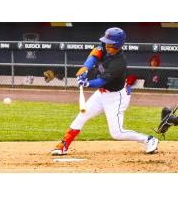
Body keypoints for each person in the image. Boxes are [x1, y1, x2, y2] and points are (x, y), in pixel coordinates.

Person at [51, 27, 159, 156]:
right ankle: (64, 145)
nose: (106, 45)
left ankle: (148, 139)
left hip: (116, 97)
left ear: (118, 44)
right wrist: (86, 68)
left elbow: (102, 81)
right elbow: (93, 56)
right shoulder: (104, 47)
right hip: (101, 94)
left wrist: (87, 83)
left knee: (116, 133)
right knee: (82, 116)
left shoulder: (119, 63)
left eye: (110, 43)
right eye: (106, 42)